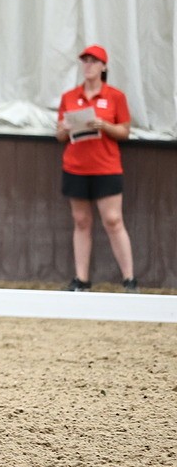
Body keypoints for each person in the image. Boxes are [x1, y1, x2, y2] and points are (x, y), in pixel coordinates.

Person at [55, 45, 137, 292]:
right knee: (81, 220)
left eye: (94, 61)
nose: (88, 65)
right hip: (76, 166)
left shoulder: (115, 97)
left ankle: (129, 279)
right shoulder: (70, 96)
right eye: (85, 61)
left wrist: (103, 125)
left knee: (113, 220)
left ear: (103, 67)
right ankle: (81, 279)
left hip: (106, 166)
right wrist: (68, 127)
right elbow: (59, 134)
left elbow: (124, 131)